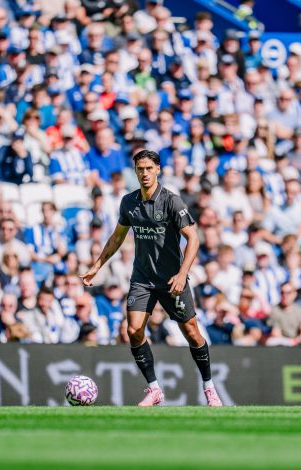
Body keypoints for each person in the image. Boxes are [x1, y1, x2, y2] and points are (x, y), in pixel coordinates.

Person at [80, 149, 223, 407]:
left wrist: (182, 274)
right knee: (134, 330)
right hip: (142, 278)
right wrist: (96, 266)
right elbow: (117, 237)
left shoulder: (171, 202)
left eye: (148, 168)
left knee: (191, 332)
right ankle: (154, 389)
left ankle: (210, 387)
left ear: (158, 170)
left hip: (171, 280)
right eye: (140, 169)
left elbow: (194, 238)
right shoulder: (129, 202)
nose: (144, 173)